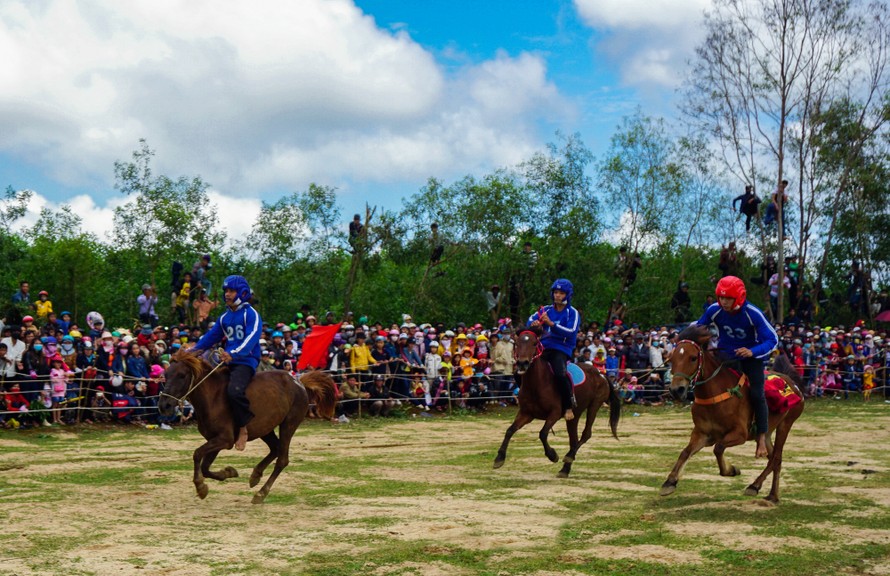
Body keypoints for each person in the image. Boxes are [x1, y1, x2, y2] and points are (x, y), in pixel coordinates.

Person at [696, 276, 778, 459]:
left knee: (757, 394)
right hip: (725, 357)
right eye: (721, 297)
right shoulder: (714, 310)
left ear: (739, 297)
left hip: (750, 359)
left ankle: (762, 438)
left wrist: (752, 351)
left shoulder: (752, 313)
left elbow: (772, 339)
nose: (723, 302)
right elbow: (698, 327)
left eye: (728, 298)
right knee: (703, 383)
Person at [191, 275, 262, 451]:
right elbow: (209, 338)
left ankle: (243, 428)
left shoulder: (250, 314)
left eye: (231, 291)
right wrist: (189, 353)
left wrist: (234, 354)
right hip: (228, 360)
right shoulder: (224, 318)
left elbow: (252, 338)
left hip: (246, 361)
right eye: (226, 291)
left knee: (234, 391)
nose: (227, 294)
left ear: (242, 293)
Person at [528, 279, 581, 422]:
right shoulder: (545, 309)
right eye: (555, 292)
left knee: (559, 373)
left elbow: (571, 331)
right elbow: (530, 320)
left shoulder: (572, 312)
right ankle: (529, 400)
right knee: (523, 368)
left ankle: (568, 405)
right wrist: (534, 323)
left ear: (567, 295)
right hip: (543, 347)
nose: (557, 295)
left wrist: (551, 324)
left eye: (561, 293)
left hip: (561, 348)